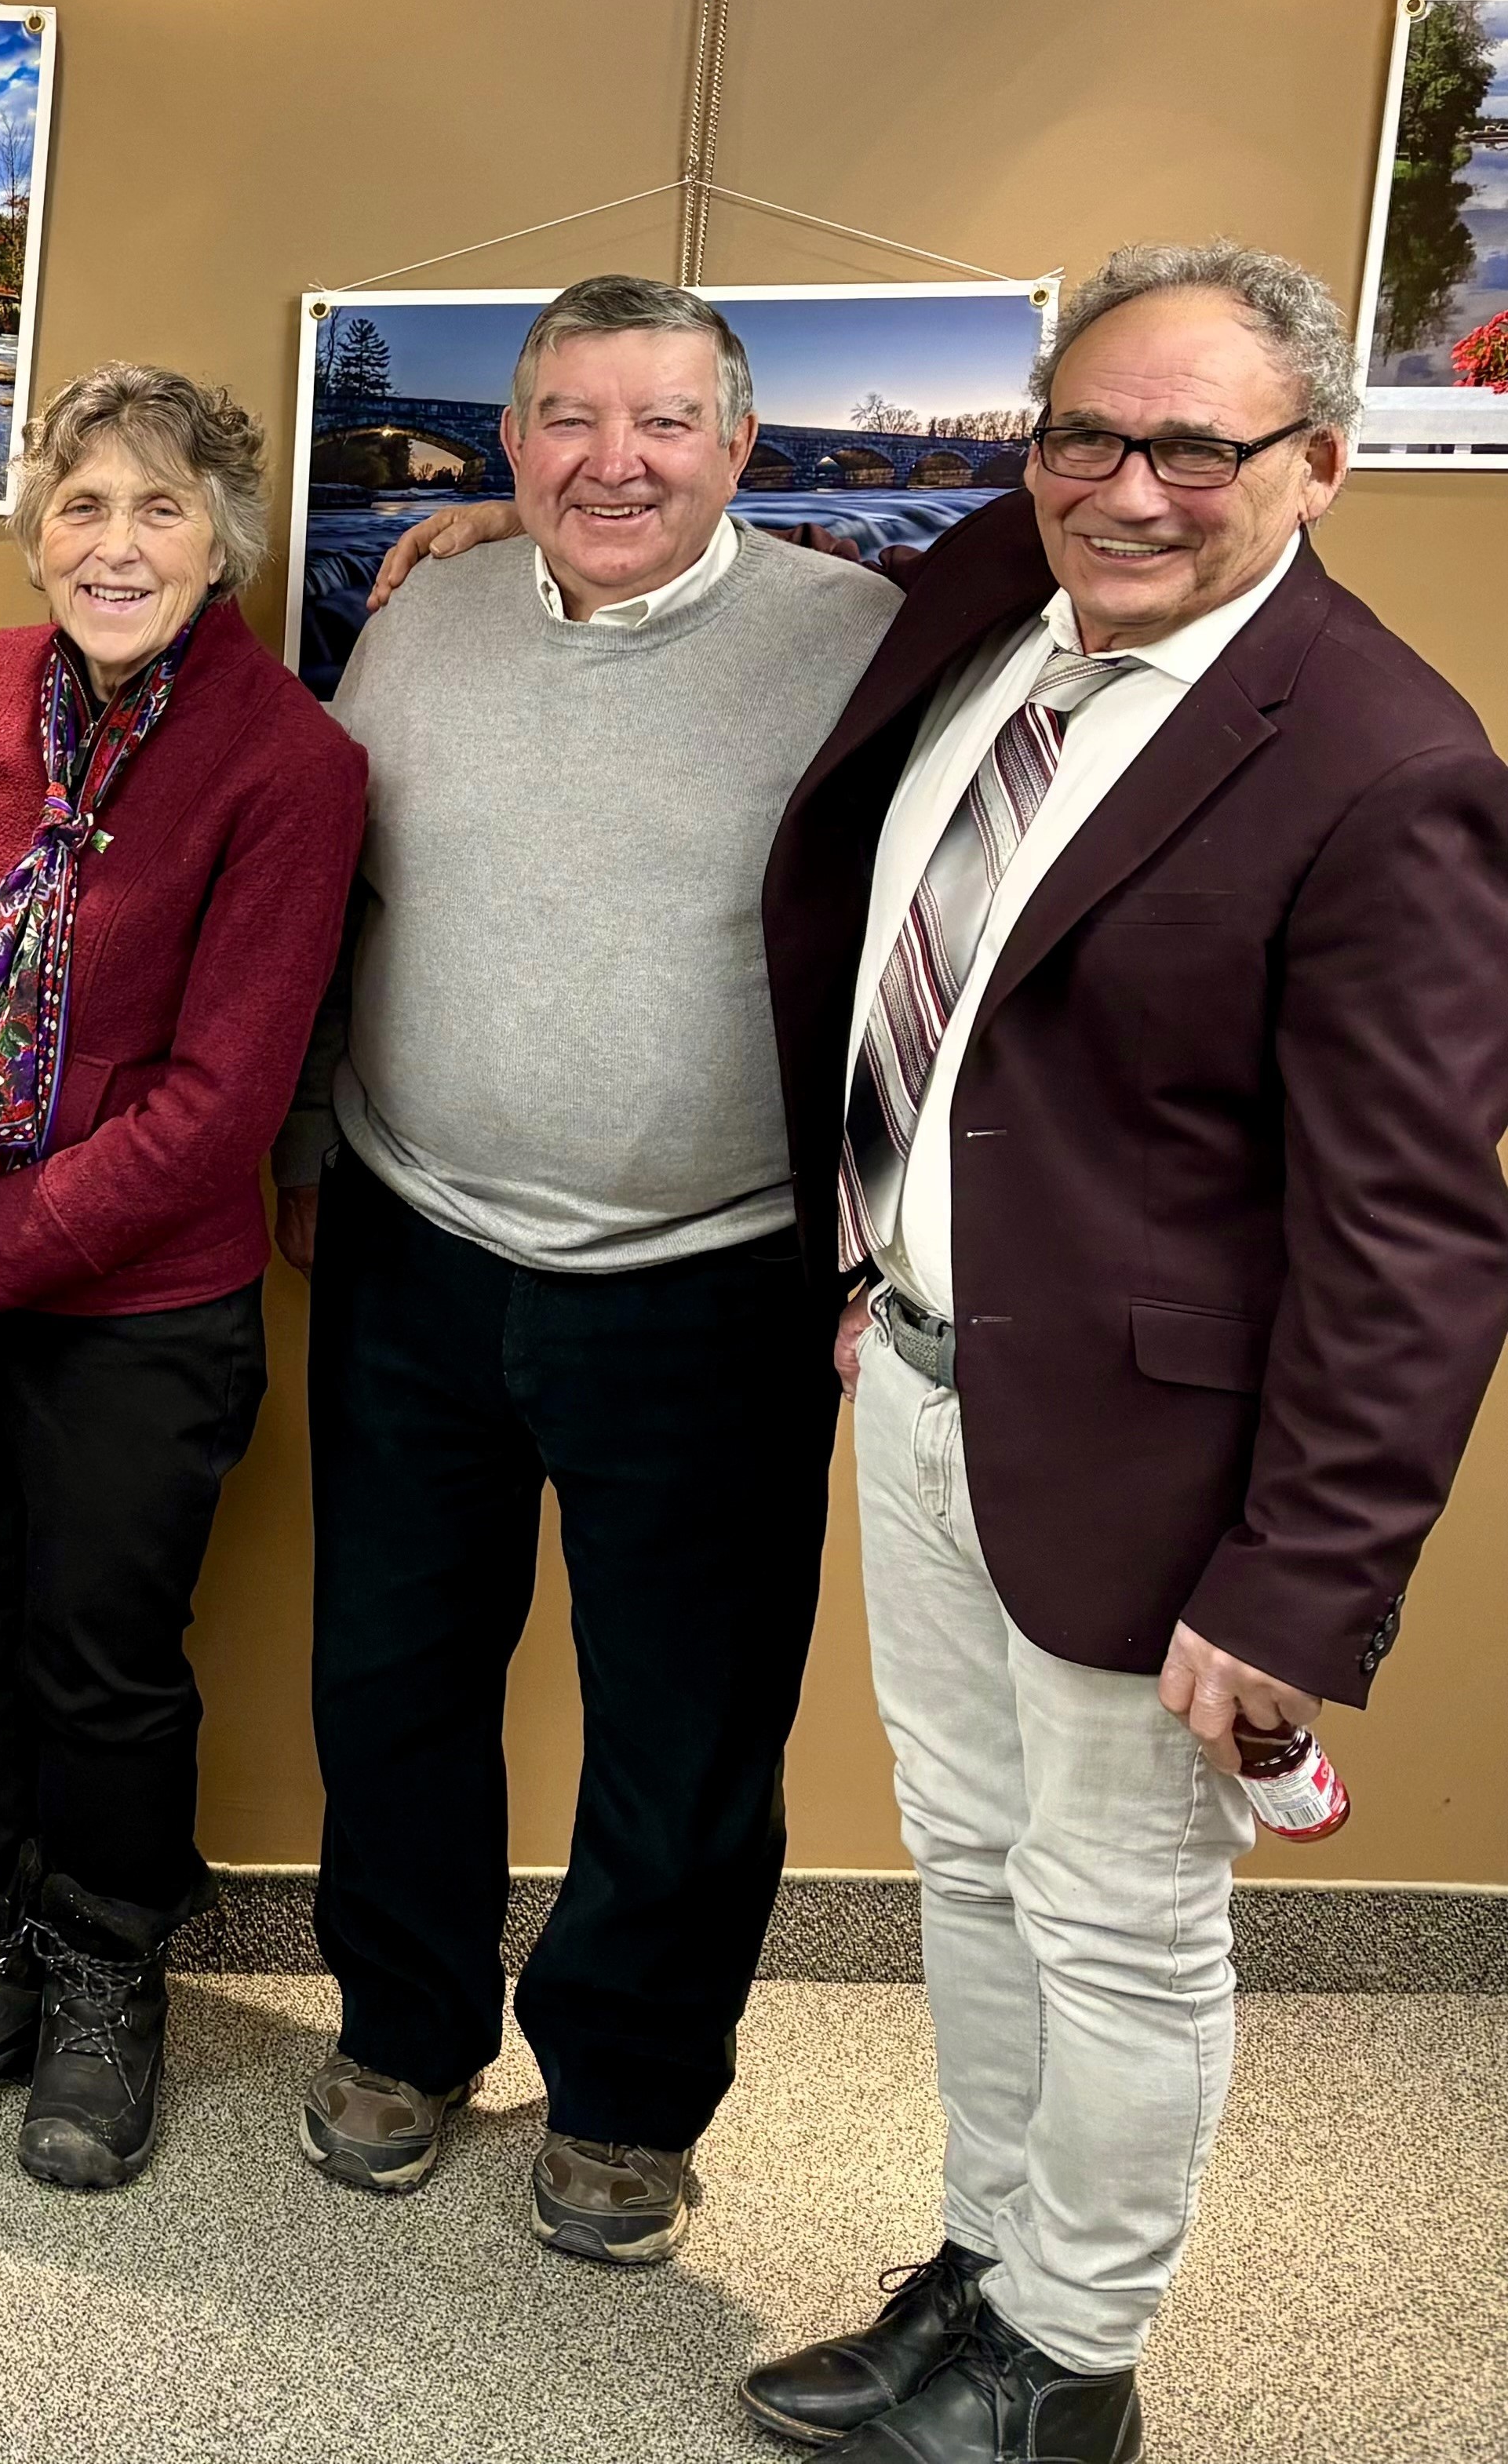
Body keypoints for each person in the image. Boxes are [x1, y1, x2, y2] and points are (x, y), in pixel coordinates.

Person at [735, 244, 1508, 2464]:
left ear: (1321, 468)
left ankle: (1068, 2355)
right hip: (918, 1375)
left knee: (1122, 1915)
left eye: (1202, 443)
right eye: (1090, 431)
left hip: (1149, 1457)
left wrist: (1298, 1580)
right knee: (968, 1866)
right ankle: (986, 2262)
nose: (1136, 483)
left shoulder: (1383, 762)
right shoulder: (1011, 608)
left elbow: (1417, 1232)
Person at [269, 274, 894, 2267]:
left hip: (714, 1281)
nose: (612, 461)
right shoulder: (423, 615)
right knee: (390, 1678)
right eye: (568, 419)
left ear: (741, 444)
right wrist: (301, 1151)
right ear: (511, 437)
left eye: (662, 422)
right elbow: (338, 904)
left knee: (687, 1723)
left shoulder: (865, 643)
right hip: (413, 1237)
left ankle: (628, 2094)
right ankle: (403, 2029)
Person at [0, 363, 366, 2190]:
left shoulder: (293, 760)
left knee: (101, 1663)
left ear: (224, 547)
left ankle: (109, 1976)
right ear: (34, 525)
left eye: (160, 511)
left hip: (135, 1308)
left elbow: (223, 1109)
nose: (114, 544)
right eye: (83, 505)